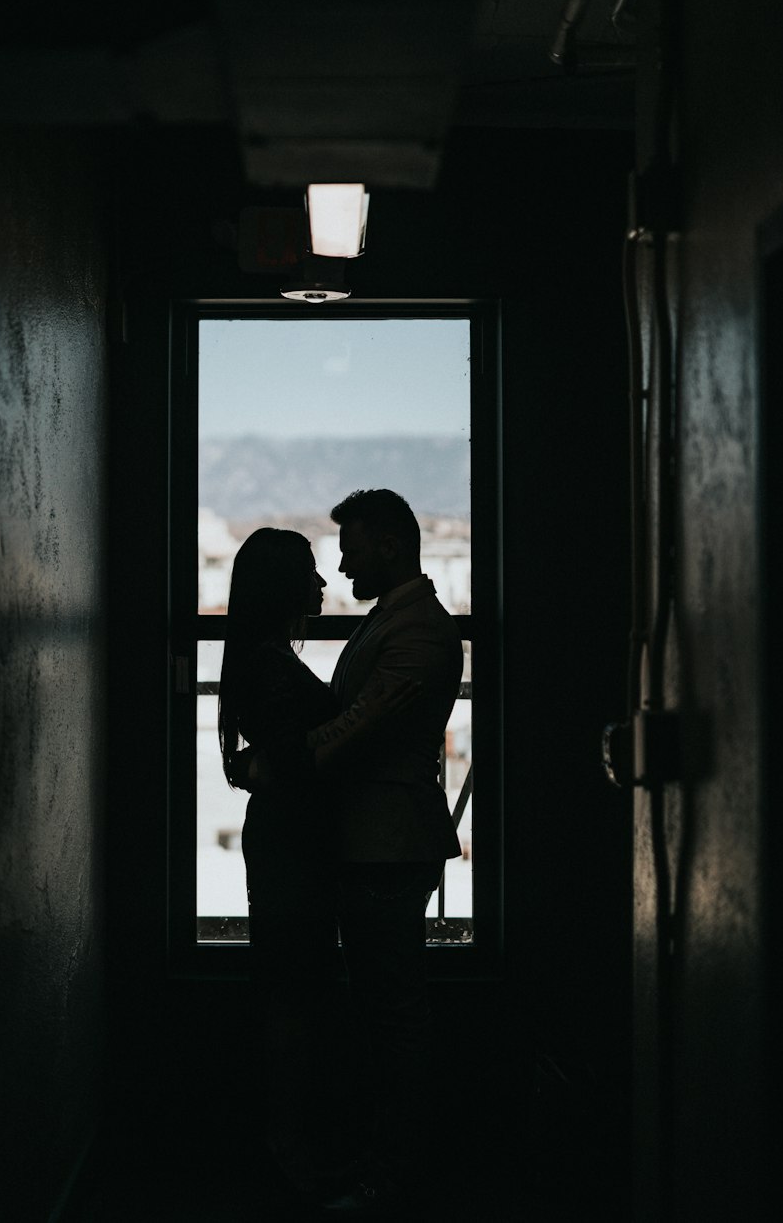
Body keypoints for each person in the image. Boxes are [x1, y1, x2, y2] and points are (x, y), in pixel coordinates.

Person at [306, 488, 464, 1213]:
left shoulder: (420, 630)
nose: (341, 566)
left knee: (391, 1017)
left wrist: (284, 761)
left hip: (388, 840)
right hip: (378, 835)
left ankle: (394, 1173)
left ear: (392, 546)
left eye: (353, 549)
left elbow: (362, 723)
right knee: (381, 1013)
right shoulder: (402, 622)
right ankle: (385, 1163)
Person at [217, 527, 344, 1197]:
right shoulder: (272, 665)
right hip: (293, 841)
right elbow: (304, 754)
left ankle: (283, 1140)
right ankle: (287, 1144)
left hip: (283, 837)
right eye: (310, 574)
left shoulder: (258, 659)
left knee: (288, 986)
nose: (322, 585)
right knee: (295, 992)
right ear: (283, 589)